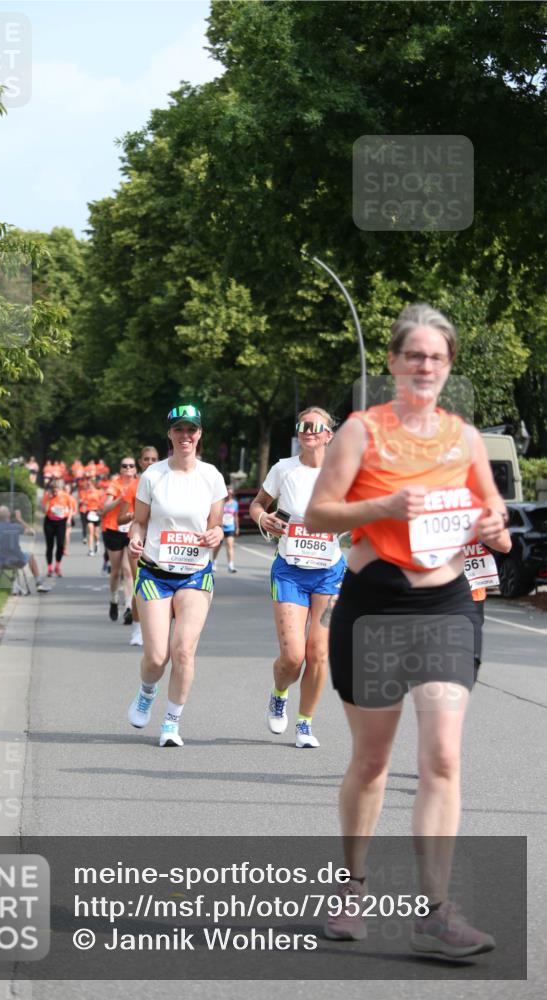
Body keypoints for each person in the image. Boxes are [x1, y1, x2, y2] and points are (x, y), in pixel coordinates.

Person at [304, 303, 512, 955]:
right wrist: (384, 505)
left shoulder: (465, 438)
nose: (424, 365)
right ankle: (351, 887)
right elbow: (317, 516)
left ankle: (435, 912)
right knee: (370, 762)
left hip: (449, 600)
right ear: (393, 363)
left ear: (448, 367)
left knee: (442, 756)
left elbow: (494, 511)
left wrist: (493, 527)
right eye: (413, 355)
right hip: (377, 601)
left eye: (436, 357)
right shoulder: (361, 433)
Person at [127, 405, 226, 747]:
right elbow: (140, 520)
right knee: (157, 657)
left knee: (183, 650)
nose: (186, 436)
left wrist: (217, 535)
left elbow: (215, 526)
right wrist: (137, 537)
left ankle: (171, 723)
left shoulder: (212, 476)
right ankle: (147, 690)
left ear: (200, 435)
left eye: (192, 430)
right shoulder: (153, 475)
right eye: (179, 429)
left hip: (195, 574)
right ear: (169, 434)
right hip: (155, 573)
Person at [249, 408, 345, 749]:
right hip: (290, 569)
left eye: (314, 426)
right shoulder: (284, 469)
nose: (306, 431)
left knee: (318, 653)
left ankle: (304, 724)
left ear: (328, 435)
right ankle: (279, 694)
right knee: (293, 656)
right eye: (302, 425)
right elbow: (258, 505)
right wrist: (265, 520)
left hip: (329, 571)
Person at [118, 446, 160, 645]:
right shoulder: (134, 486)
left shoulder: (165, 481)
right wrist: (134, 516)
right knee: (140, 585)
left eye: (154, 459)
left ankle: (156, 629)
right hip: (138, 541)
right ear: (140, 462)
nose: (150, 463)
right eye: (146, 459)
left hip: (161, 543)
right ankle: (137, 628)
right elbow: (119, 518)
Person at [101, 457, 138, 622]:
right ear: (120, 469)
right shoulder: (114, 485)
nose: (128, 468)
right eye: (124, 466)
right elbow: (104, 508)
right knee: (116, 572)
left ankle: (129, 607)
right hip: (113, 529)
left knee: (128, 571)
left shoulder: (140, 484)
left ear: (135, 469)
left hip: (131, 530)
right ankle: (114, 599)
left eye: (131, 466)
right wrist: (120, 498)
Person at [0, 506, 49, 592]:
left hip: (3, 562)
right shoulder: (16, 527)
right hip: (19, 560)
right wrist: (20, 519)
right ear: (9, 515)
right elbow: (32, 532)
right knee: (31, 556)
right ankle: (38, 582)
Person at [41, 479, 71, 577]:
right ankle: (49, 568)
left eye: (56, 490)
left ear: (60, 489)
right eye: (53, 490)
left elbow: (70, 509)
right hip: (49, 522)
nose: (55, 492)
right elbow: (45, 511)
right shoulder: (47, 496)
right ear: (50, 490)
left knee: (60, 545)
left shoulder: (65, 496)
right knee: (50, 546)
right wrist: (49, 500)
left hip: (61, 522)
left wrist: (69, 519)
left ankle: (57, 566)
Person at [213, 484, 240, 573]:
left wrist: (237, 527)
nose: (229, 495)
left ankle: (230, 565)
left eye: (230, 493)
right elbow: (216, 514)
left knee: (230, 545)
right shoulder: (221, 503)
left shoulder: (235, 504)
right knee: (217, 546)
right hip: (220, 528)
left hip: (230, 527)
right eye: (227, 493)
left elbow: (236, 516)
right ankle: (214, 562)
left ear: (232, 494)